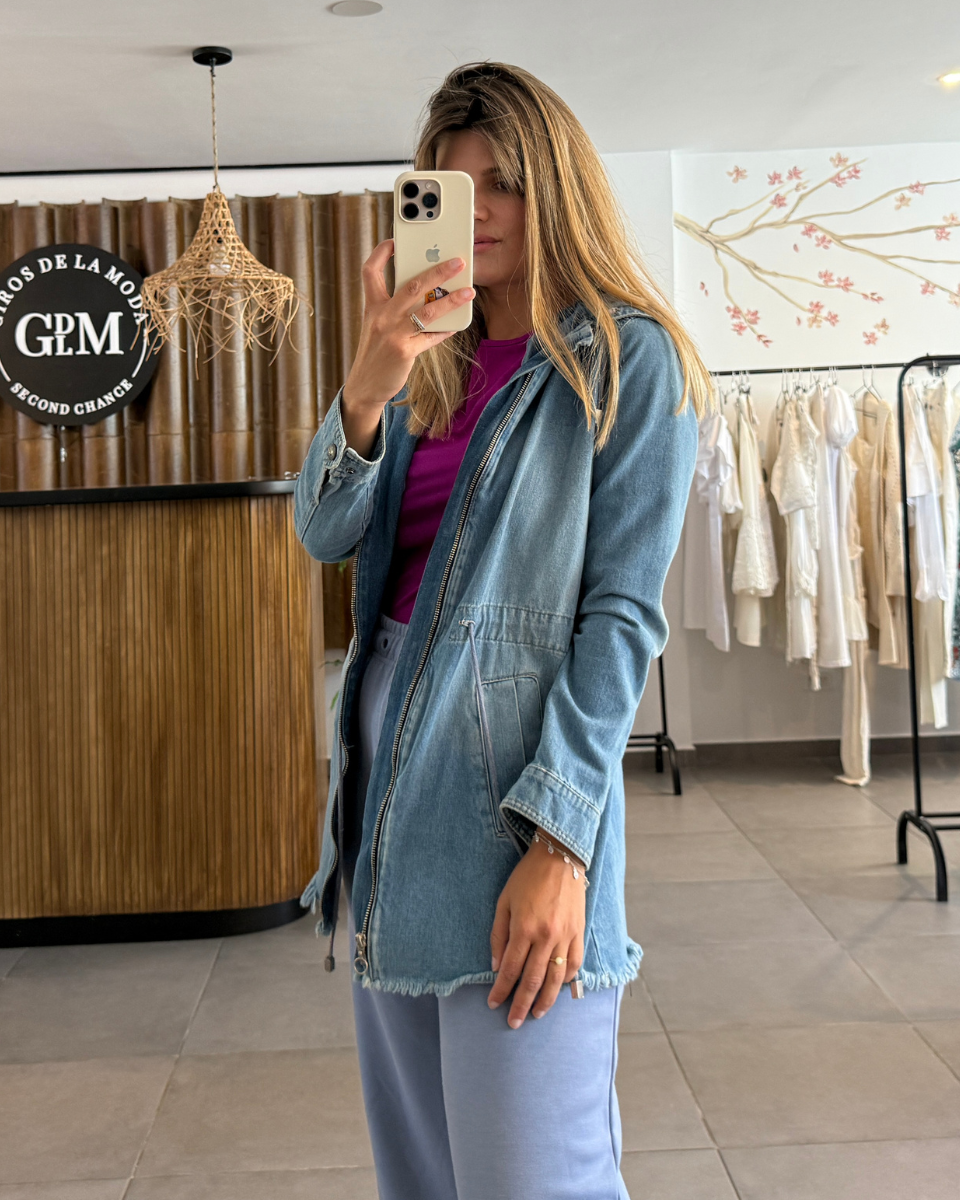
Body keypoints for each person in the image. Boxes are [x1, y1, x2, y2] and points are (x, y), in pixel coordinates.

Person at [296, 61, 708, 1200]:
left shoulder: (628, 359)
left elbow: (619, 617)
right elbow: (325, 532)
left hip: (512, 799)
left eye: (504, 185)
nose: (475, 212)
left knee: (536, 1179)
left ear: (556, 191)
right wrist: (372, 379)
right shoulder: (427, 362)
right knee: (422, 1180)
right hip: (385, 800)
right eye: (449, 187)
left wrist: (562, 843)